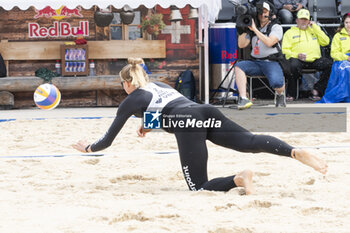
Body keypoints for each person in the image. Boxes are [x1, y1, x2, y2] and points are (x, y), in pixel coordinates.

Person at [72, 58, 328, 194]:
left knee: (198, 186)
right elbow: (166, 106)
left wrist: (89, 148)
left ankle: (238, 179)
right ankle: (295, 152)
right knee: (249, 143)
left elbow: (108, 139)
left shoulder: (130, 99)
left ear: (127, 83)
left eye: (123, 84)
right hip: (204, 110)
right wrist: (147, 124)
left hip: (187, 123)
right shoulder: (159, 85)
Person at [234, 1, 286, 110]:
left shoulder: (276, 27)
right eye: (260, 12)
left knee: (277, 83)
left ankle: (280, 94)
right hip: (256, 62)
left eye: (265, 12)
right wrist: (243, 29)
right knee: (239, 66)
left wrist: (255, 30)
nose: (262, 15)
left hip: (271, 61)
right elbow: (241, 45)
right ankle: (243, 98)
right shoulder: (252, 27)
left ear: (270, 13)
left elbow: (269, 42)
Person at [282, 9, 332, 100]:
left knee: (329, 65)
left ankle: (317, 89)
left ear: (309, 21)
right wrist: (296, 55)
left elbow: (326, 42)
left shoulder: (315, 30)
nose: (303, 21)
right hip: (298, 59)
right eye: (301, 19)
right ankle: (292, 93)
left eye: (306, 19)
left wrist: (316, 28)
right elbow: (285, 50)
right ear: (297, 20)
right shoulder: (289, 33)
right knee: (292, 65)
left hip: (314, 60)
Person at [318, 13, 350, 103]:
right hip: (341, 60)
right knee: (347, 68)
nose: (348, 25)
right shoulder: (338, 36)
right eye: (346, 22)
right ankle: (344, 96)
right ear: (343, 23)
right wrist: (346, 58)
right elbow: (334, 53)